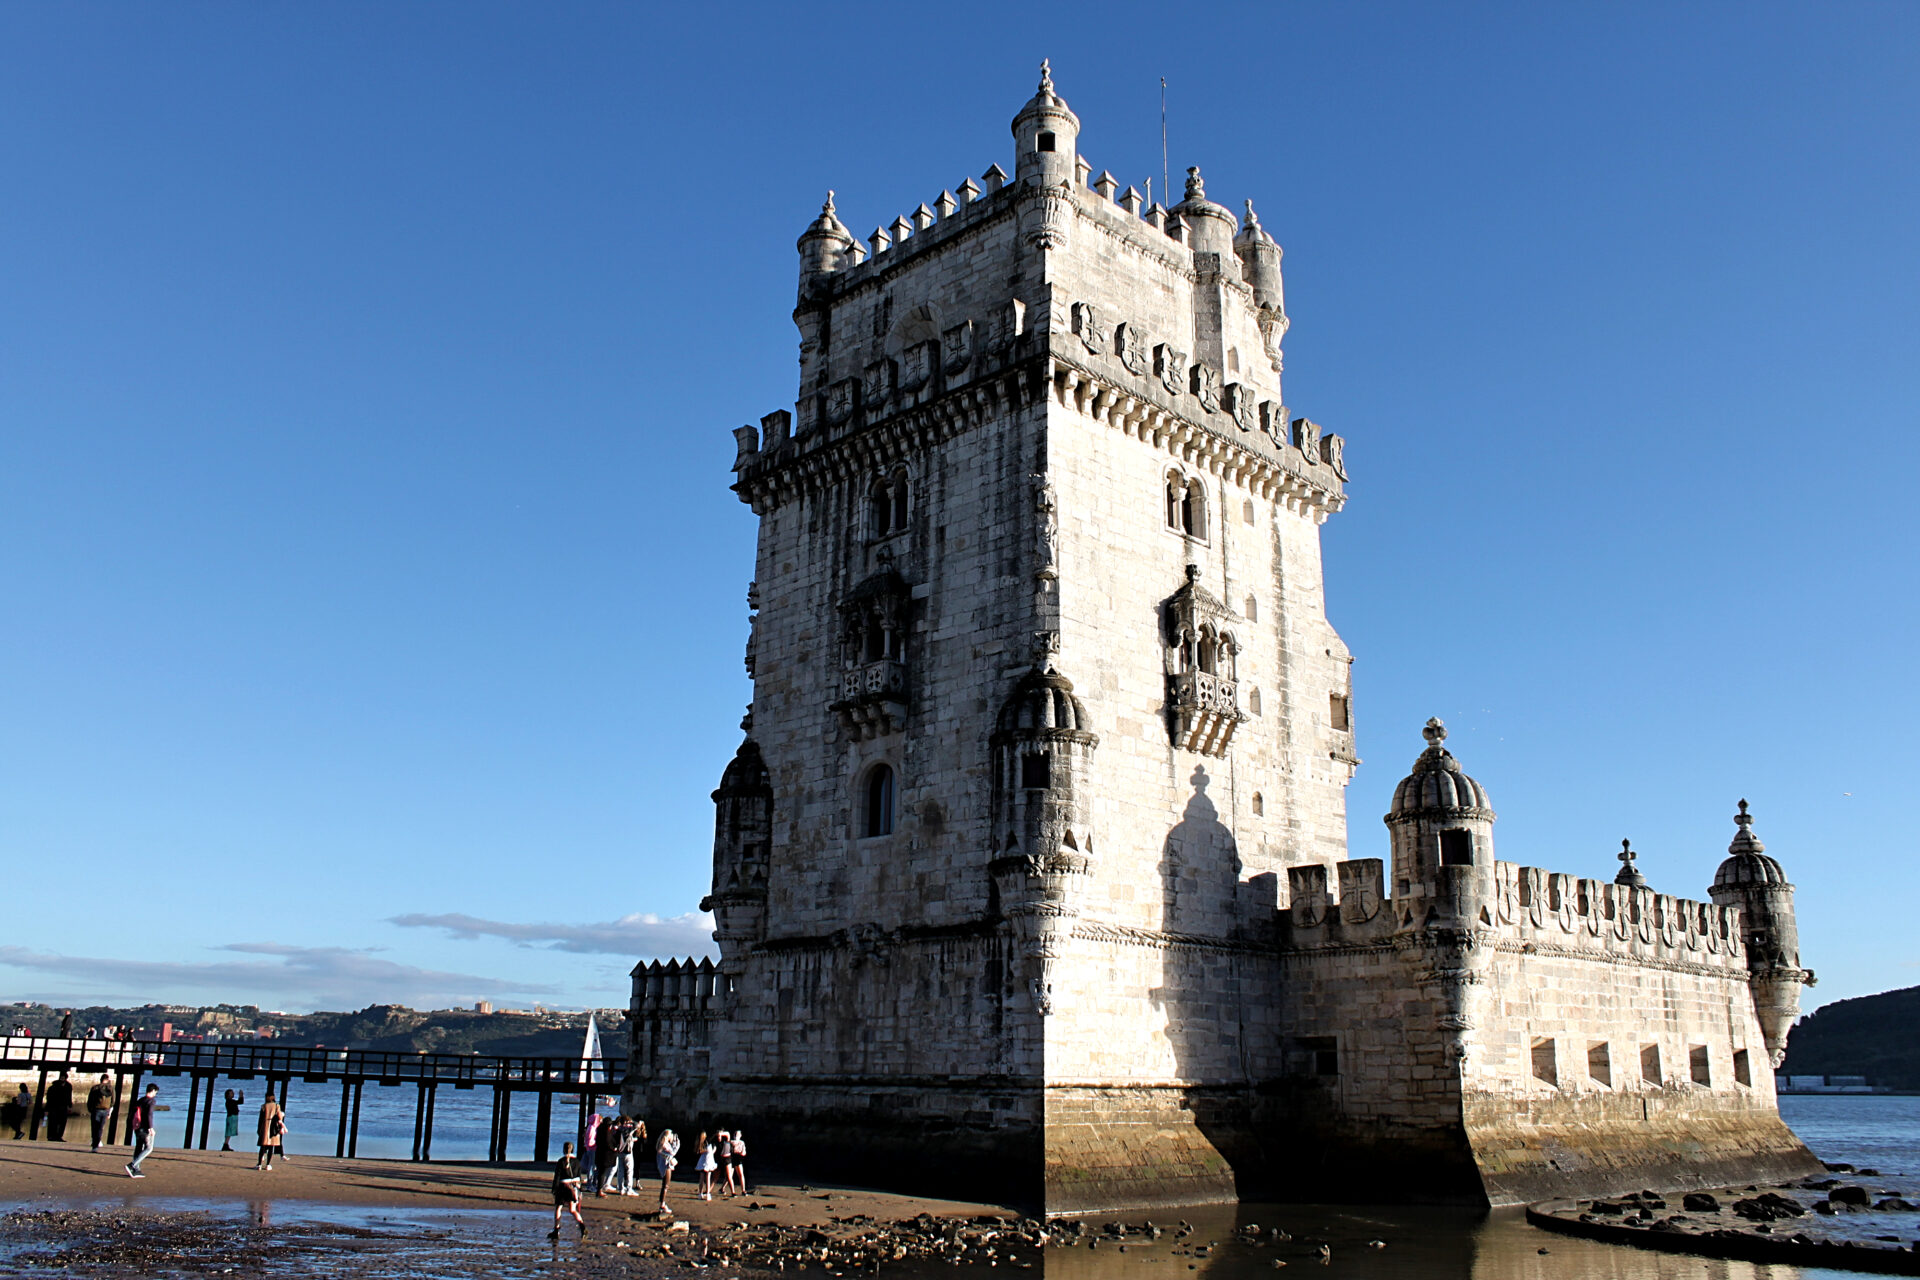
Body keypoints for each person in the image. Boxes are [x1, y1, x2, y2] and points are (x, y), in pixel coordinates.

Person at [549, 1140, 587, 1238]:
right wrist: (580, 1188)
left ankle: (556, 1230)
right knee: (573, 1209)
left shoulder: (561, 1161)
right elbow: (578, 1176)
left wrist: (554, 1189)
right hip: (573, 1188)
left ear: (563, 1150)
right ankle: (582, 1226)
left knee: (558, 1208)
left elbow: (557, 1176)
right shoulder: (577, 1162)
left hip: (563, 1187)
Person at [126, 1084, 159, 1177]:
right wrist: (151, 1127)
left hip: (137, 1126)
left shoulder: (140, 1100)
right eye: (155, 1092)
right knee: (149, 1148)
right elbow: (149, 1114)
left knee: (138, 1147)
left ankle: (136, 1169)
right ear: (152, 1091)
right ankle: (132, 1165)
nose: (155, 1094)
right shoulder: (151, 1101)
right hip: (145, 1128)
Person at [254, 1094, 284, 1170]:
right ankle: (268, 1164)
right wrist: (281, 1127)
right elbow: (279, 1117)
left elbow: (260, 1119)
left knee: (263, 1146)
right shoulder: (277, 1106)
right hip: (273, 1126)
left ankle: (259, 1164)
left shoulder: (264, 1106)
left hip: (265, 1125)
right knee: (271, 1146)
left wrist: (259, 1129)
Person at [655, 1126, 679, 1213]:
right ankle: (662, 1204)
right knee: (666, 1185)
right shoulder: (664, 1144)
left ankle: (662, 1203)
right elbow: (673, 1152)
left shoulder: (662, 1144)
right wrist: (677, 1143)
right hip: (666, 1166)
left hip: (664, 1165)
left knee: (665, 1185)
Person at [87, 1075, 114, 1152]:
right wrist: (109, 1110)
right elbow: (113, 1101)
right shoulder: (111, 1089)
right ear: (107, 1080)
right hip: (105, 1110)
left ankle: (94, 1144)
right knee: (100, 1128)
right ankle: (97, 1143)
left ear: (101, 1079)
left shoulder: (95, 1088)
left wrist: (90, 1109)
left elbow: (90, 1099)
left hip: (96, 1110)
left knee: (94, 1127)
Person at [44, 1070, 73, 1142]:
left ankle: (58, 1136)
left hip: (63, 1106)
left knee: (62, 1122)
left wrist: (70, 1105)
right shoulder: (53, 1087)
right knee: (53, 1121)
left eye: (64, 1078)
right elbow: (49, 1098)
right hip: (54, 1106)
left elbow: (69, 1096)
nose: (62, 1079)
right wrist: (47, 1108)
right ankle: (51, 1136)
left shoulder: (68, 1086)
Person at [693, 1130, 716, 1201]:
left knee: (701, 1179)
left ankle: (700, 1194)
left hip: (702, 1162)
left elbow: (699, 1151)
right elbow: (709, 1151)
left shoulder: (699, 1143)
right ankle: (708, 1194)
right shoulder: (706, 1142)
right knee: (708, 1178)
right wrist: (713, 1150)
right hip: (708, 1161)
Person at [726, 1129, 747, 1197]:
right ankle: (729, 1190)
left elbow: (744, 1151)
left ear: (740, 1135)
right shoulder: (731, 1142)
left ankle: (743, 1190)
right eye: (735, 1134)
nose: (736, 1136)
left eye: (737, 1134)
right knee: (729, 1176)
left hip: (738, 1158)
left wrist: (742, 1153)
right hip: (732, 1158)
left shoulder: (742, 1143)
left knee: (741, 1174)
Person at [714, 1129, 732, 1198]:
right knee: (716, 1177)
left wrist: (720, 1133)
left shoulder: (726, 1141)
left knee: (729, 1177)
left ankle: (731, 1191)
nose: (719, 1137)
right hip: (722, 1160)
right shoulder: (718, 1143)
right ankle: (721, 1189)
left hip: (728, 1160)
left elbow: (727, 1134)